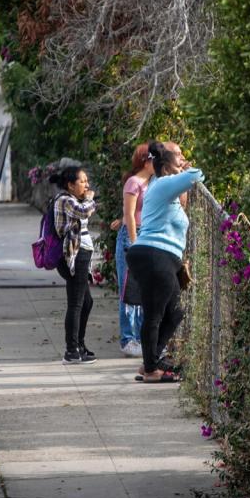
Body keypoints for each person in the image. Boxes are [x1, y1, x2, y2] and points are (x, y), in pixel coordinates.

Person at [126, 141, 203, 382]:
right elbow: (197, 174)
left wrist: (180, 171)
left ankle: (151, 359)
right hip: (153, 255)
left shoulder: (166, 188)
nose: (183, 159)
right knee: (155, 313)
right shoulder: (163, 183)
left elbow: (183, 198)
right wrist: (185, 170)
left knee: (176, 312)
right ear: (166, 164)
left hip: (162, 257)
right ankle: (150, 370)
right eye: (178, 156)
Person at [50, 165, 99, 364]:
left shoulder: (72, 199)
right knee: (77, 303)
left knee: (87, 302)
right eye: (82, 181)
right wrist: (90, 199)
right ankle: (71, 351)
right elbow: (84, 211)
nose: (86, 185)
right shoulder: (65, 200)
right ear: (70, 185)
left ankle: (79, 345)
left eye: (87, 180)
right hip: (73, 256)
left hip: (81, 255)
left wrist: (88, 200)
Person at [116, 143, 154, 357]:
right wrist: (134, 241)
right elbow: (129, 214)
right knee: (128, 288)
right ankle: (128, 338)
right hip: (132, 236)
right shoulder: (134, 182)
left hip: (146, 235)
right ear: (145, 160)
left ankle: (140, 337)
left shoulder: (153, 182)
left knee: (143, 290)